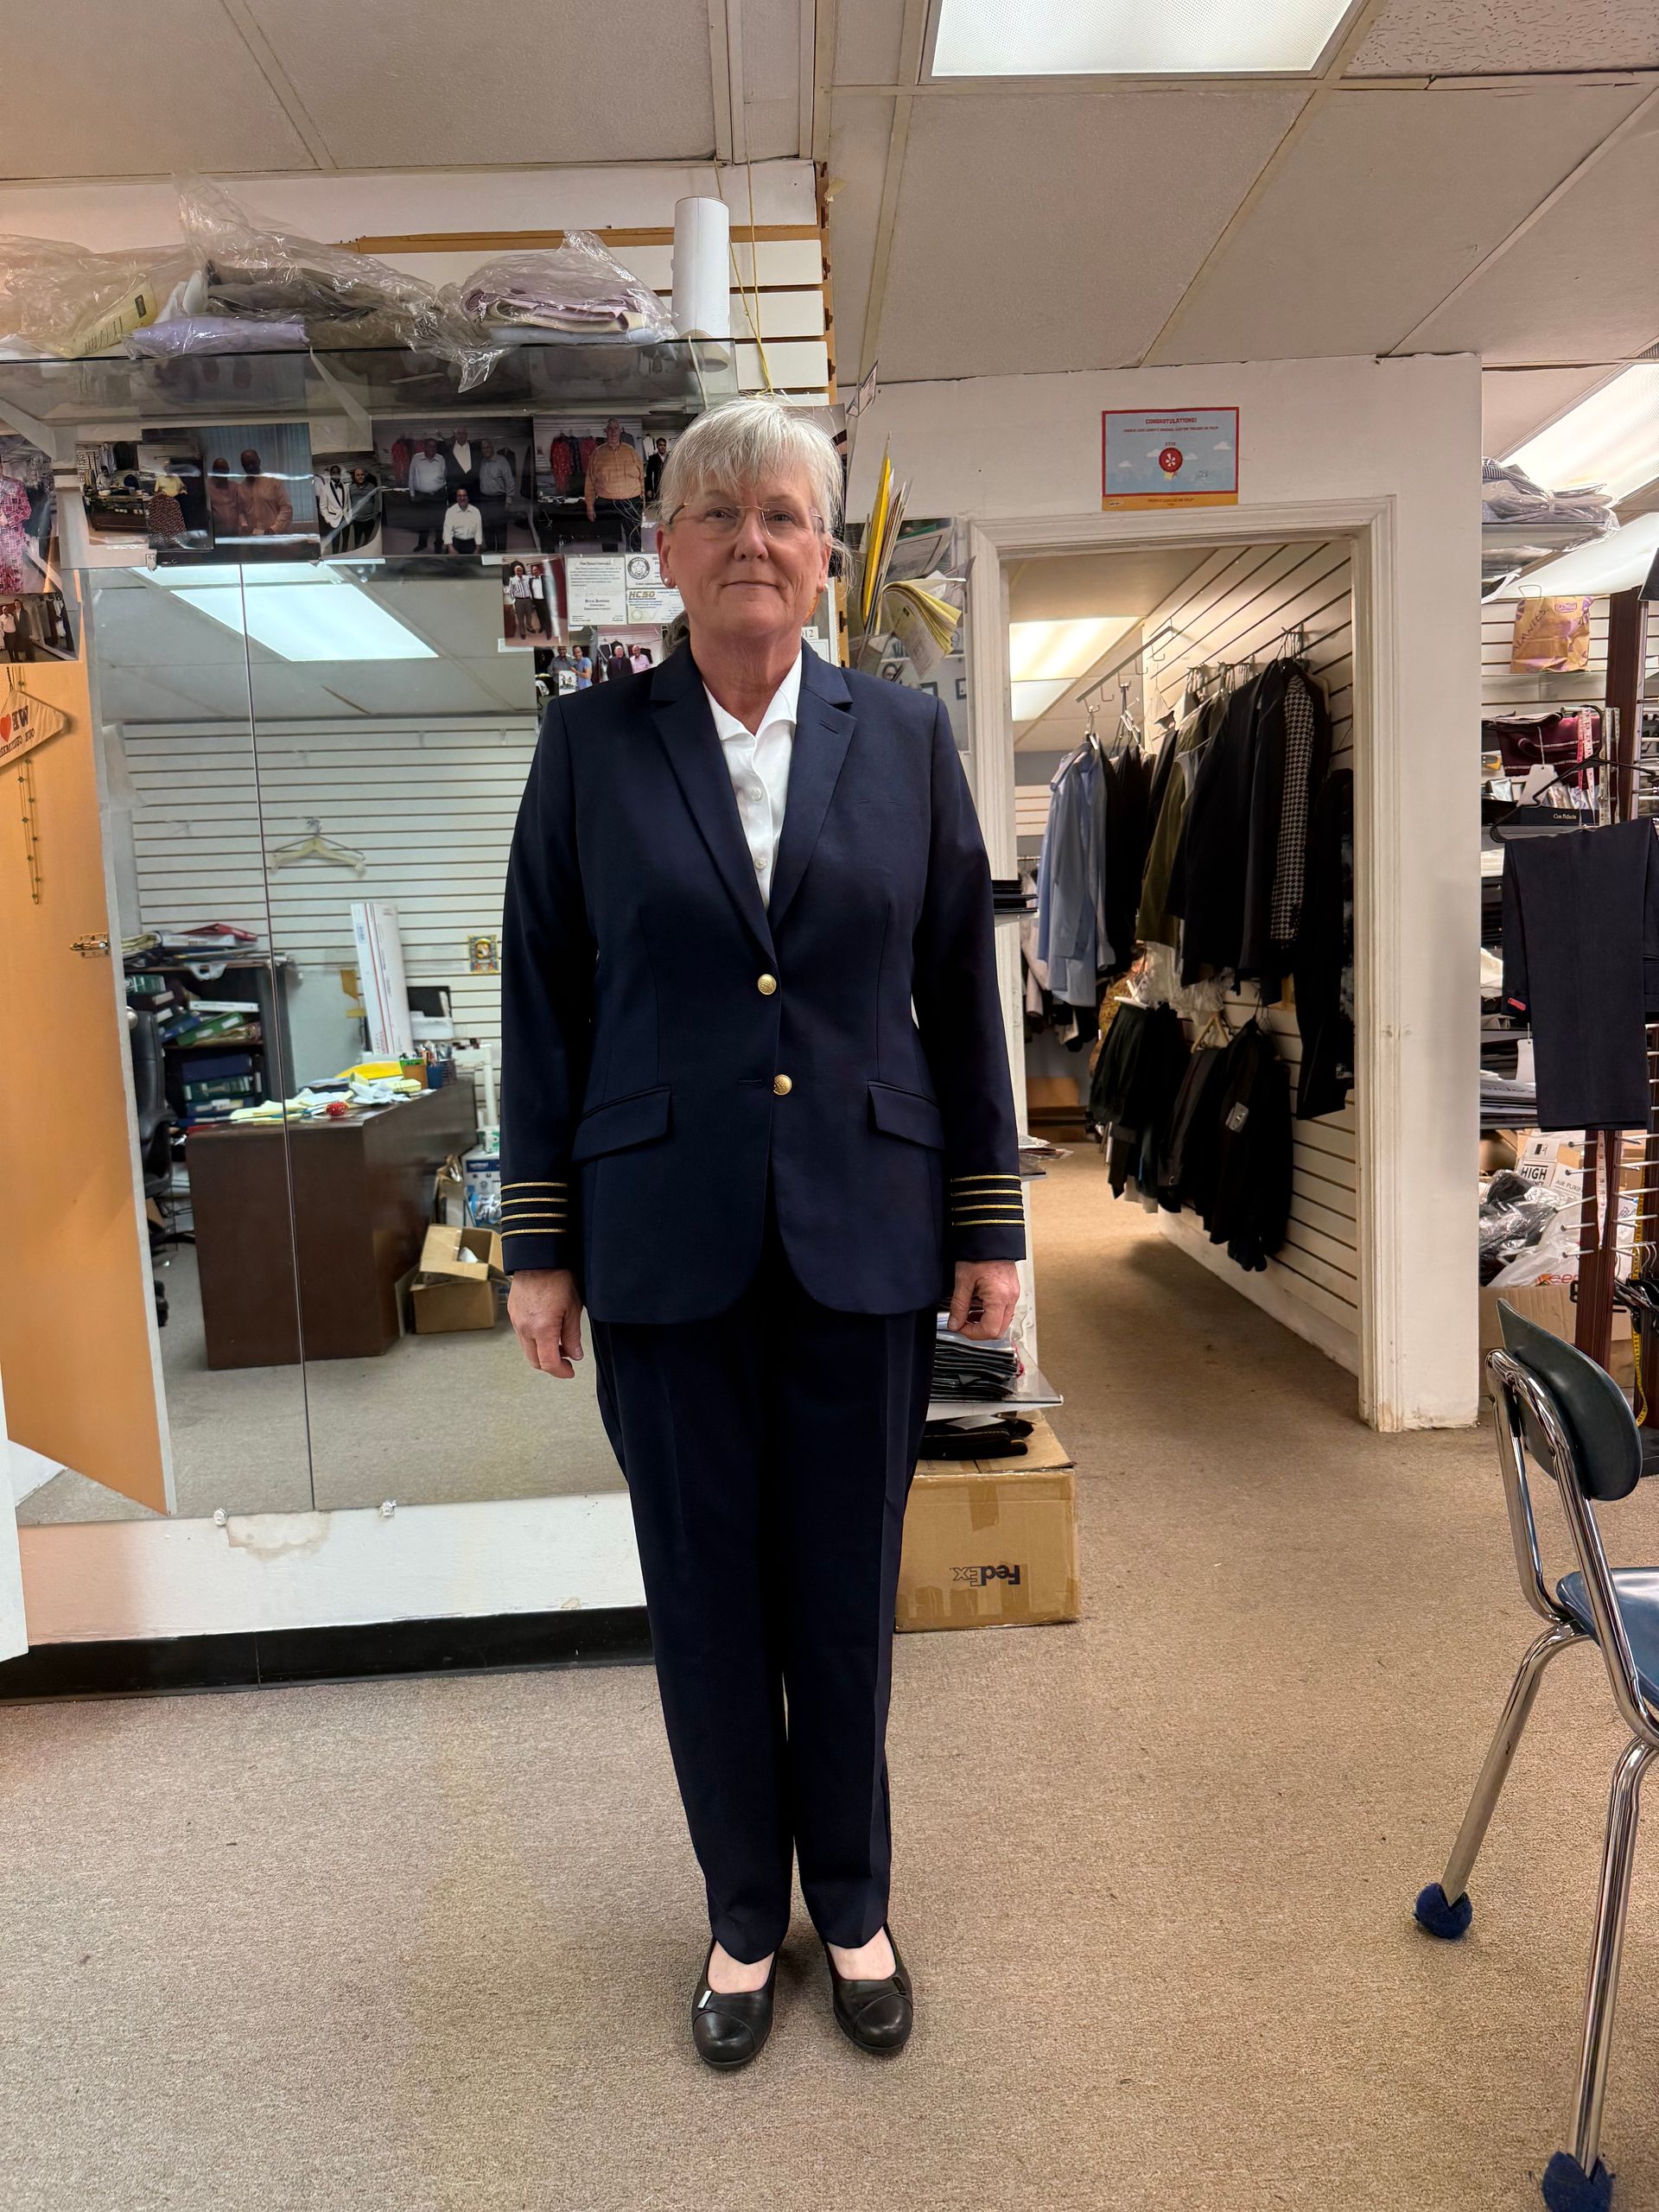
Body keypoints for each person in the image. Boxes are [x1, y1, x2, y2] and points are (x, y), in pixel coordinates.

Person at [500, 396, 1021, 2071]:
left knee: (844, 1590)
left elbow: (960, 992)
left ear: (821, 553)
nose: (753, 539)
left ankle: (851, 1897)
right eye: (717, 511)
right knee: (705, 1596)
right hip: (660, 1241)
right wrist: (538, 1238)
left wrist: (989, 1214)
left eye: (784, 513)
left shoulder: (909, 738)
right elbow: (542, 997)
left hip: (865, 1230)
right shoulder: (593, 746)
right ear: (665, 550)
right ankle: (743, 1912)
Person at [583, 417, 645, 549]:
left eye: (615, 428)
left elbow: (641, 478)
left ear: (620, 431)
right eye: (610, 429)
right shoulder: (597, 453)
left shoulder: (631, 452)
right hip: (606, 503)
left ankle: (633, 566)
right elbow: (590, 482)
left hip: (631, 501)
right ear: (605, 431)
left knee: (634, 538)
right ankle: (612, 567)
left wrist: (643, 502)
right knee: (609, 539)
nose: (613, 432)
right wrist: (590, 506)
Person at [234, 449, 293, 539]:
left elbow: (286, 508)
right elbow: (241, 512)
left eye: (252, 463)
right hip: (253, 540)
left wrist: (274, 529)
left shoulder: (274, 482)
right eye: (246, 464)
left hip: (276, 538)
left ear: (259, 462)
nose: (250, 467)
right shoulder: (241, 488)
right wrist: (244, 526)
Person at [406, 437, 448, 550]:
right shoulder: (416, 458)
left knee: (439, 522)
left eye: (434, 446)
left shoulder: (441, 459)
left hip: (438, 496)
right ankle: (422, 544)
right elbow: (411, 476)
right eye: (430, 446)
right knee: (423, 522)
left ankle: (438, 544)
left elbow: (445, 477)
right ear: (425, 447)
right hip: (422, 496)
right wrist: (412, 493)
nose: (432, 449)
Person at [478, 438, 516, 554]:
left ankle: (502, 551)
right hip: (485, 499)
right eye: (483, 448)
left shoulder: (502, 461)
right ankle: (490, 550)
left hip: (499, 499)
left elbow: (510, 482)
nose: (486, 450)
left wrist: (508, 501)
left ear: (492, 448)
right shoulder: (482, 462)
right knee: (487, 526)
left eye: (488, 447)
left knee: (500, 527)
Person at [315, 464, 349, 554]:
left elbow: (349, 503)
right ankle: (336, 557)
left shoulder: (346, 487)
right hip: (333, 520)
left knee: (346, 540)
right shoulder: (325, 488)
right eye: (334, 472)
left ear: (340, 474)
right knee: (335, 542)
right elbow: (323, 507)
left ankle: (344, 556)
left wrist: (350, 516)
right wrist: (328, 519)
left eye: (338, 472)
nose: (336, 474)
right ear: (330, 474)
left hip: (346, 518)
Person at [441, 485, 484, 554]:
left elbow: (478, 532)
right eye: (459, 496)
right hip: (456, 543)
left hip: (471, 543)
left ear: (468, 497)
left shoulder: (475, 511)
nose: (462, 498)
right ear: (456, 497)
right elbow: (447, 532)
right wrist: (451, 548)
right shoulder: (451, 511)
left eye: (465, 495)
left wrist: (477, 549)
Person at [643, 435, 670, 504]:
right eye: (660, 445)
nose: (662, 447)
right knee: (658, 506)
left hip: (669, 486)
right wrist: (649, 489)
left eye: (664, 445)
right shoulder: (652, 458)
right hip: (657, 487)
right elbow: (649, 474)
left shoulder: (670, 457)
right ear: (657, 446)